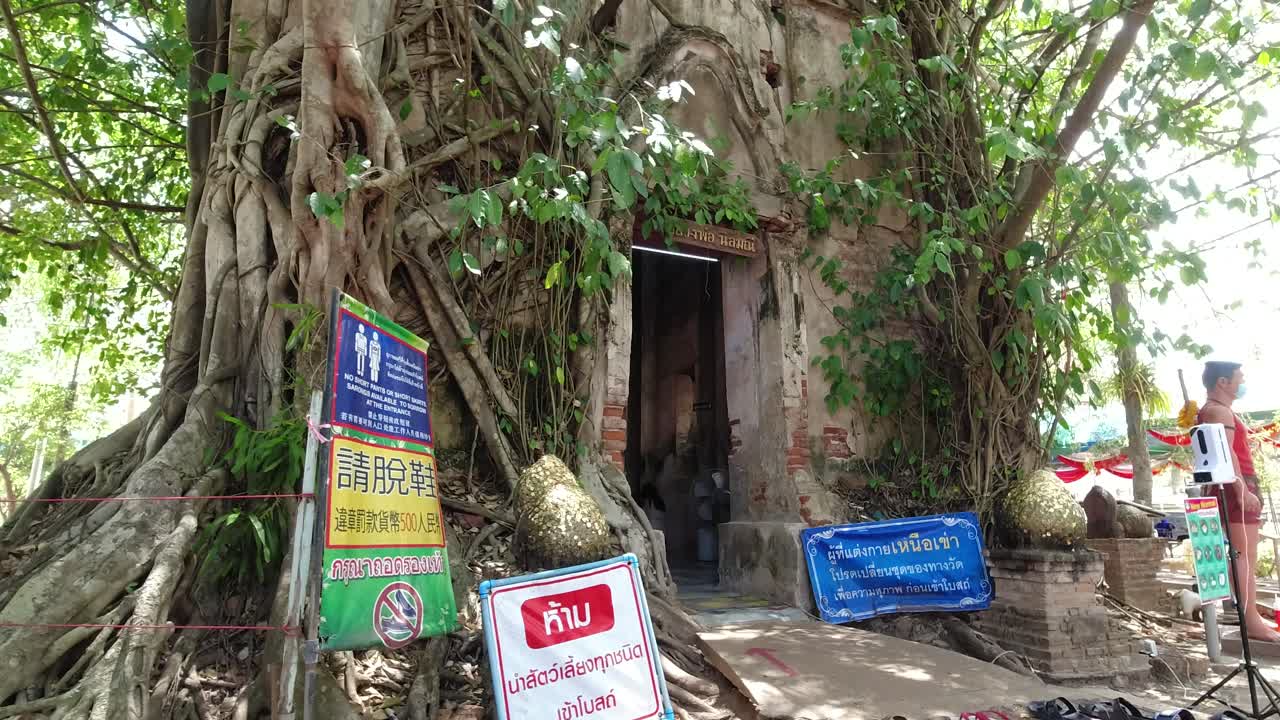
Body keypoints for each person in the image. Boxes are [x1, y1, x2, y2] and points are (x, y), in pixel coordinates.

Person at [1198, 360, 1280, 642]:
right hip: (1235, 486)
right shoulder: (1218, 411)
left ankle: (1249, 616)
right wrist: (1242, 489)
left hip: (1233, 485)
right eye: (1238, 378)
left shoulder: (1216, 410)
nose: (1241, 383)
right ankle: (1251, 619)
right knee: (1245, 555)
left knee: (1243, 554)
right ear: (1223, 382)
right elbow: (1228, 453)